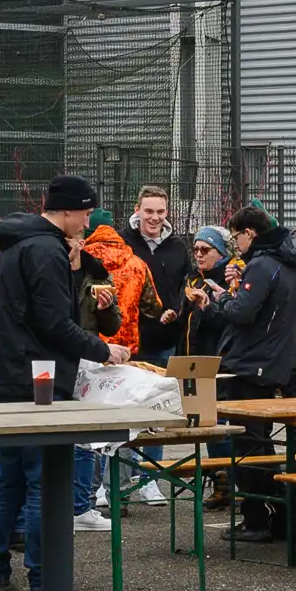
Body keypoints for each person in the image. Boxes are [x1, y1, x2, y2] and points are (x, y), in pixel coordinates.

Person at [0, 175, 128, 591]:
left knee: (9, 478)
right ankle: (46, 585)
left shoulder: (13, 243)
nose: (87, 222)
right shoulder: (46, 249)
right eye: (85, 213)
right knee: (45, 482)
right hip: (39, 377)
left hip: (7, 375)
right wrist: (103, 348)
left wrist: (75, 270)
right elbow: (53, 322)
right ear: (67, 210)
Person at [210, 205, 296, 544]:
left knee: (248, 446)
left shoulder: (263, 263)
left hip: (248, 365)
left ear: (249, 233)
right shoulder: (292, 263)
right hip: (272, 363)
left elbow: (242, 312)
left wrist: (221, 298)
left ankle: (257, 518)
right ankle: (282, 517)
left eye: (235, 237)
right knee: (261, 443)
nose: (235, 245)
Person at [75, 220, 151, 528]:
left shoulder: (94, 271)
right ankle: (110, 493)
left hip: (95, 359)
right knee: (107, 432)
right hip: (105, 354)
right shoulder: (136, 262)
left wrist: (106, 308)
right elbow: (153, 304)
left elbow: (109, 322)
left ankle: (87, 502)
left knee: (94, 435)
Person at [120, 187, 193, 504]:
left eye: (160, 211)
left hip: (165, 342)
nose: (155, 217)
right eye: (149, 211)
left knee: (157, 410)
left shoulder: (178, 246)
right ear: (138, 210)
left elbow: (185, 286)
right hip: (128, 343)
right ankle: (121, 481)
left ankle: (151, 478)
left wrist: (178, 311)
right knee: (125, 412)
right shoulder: (124, 242)